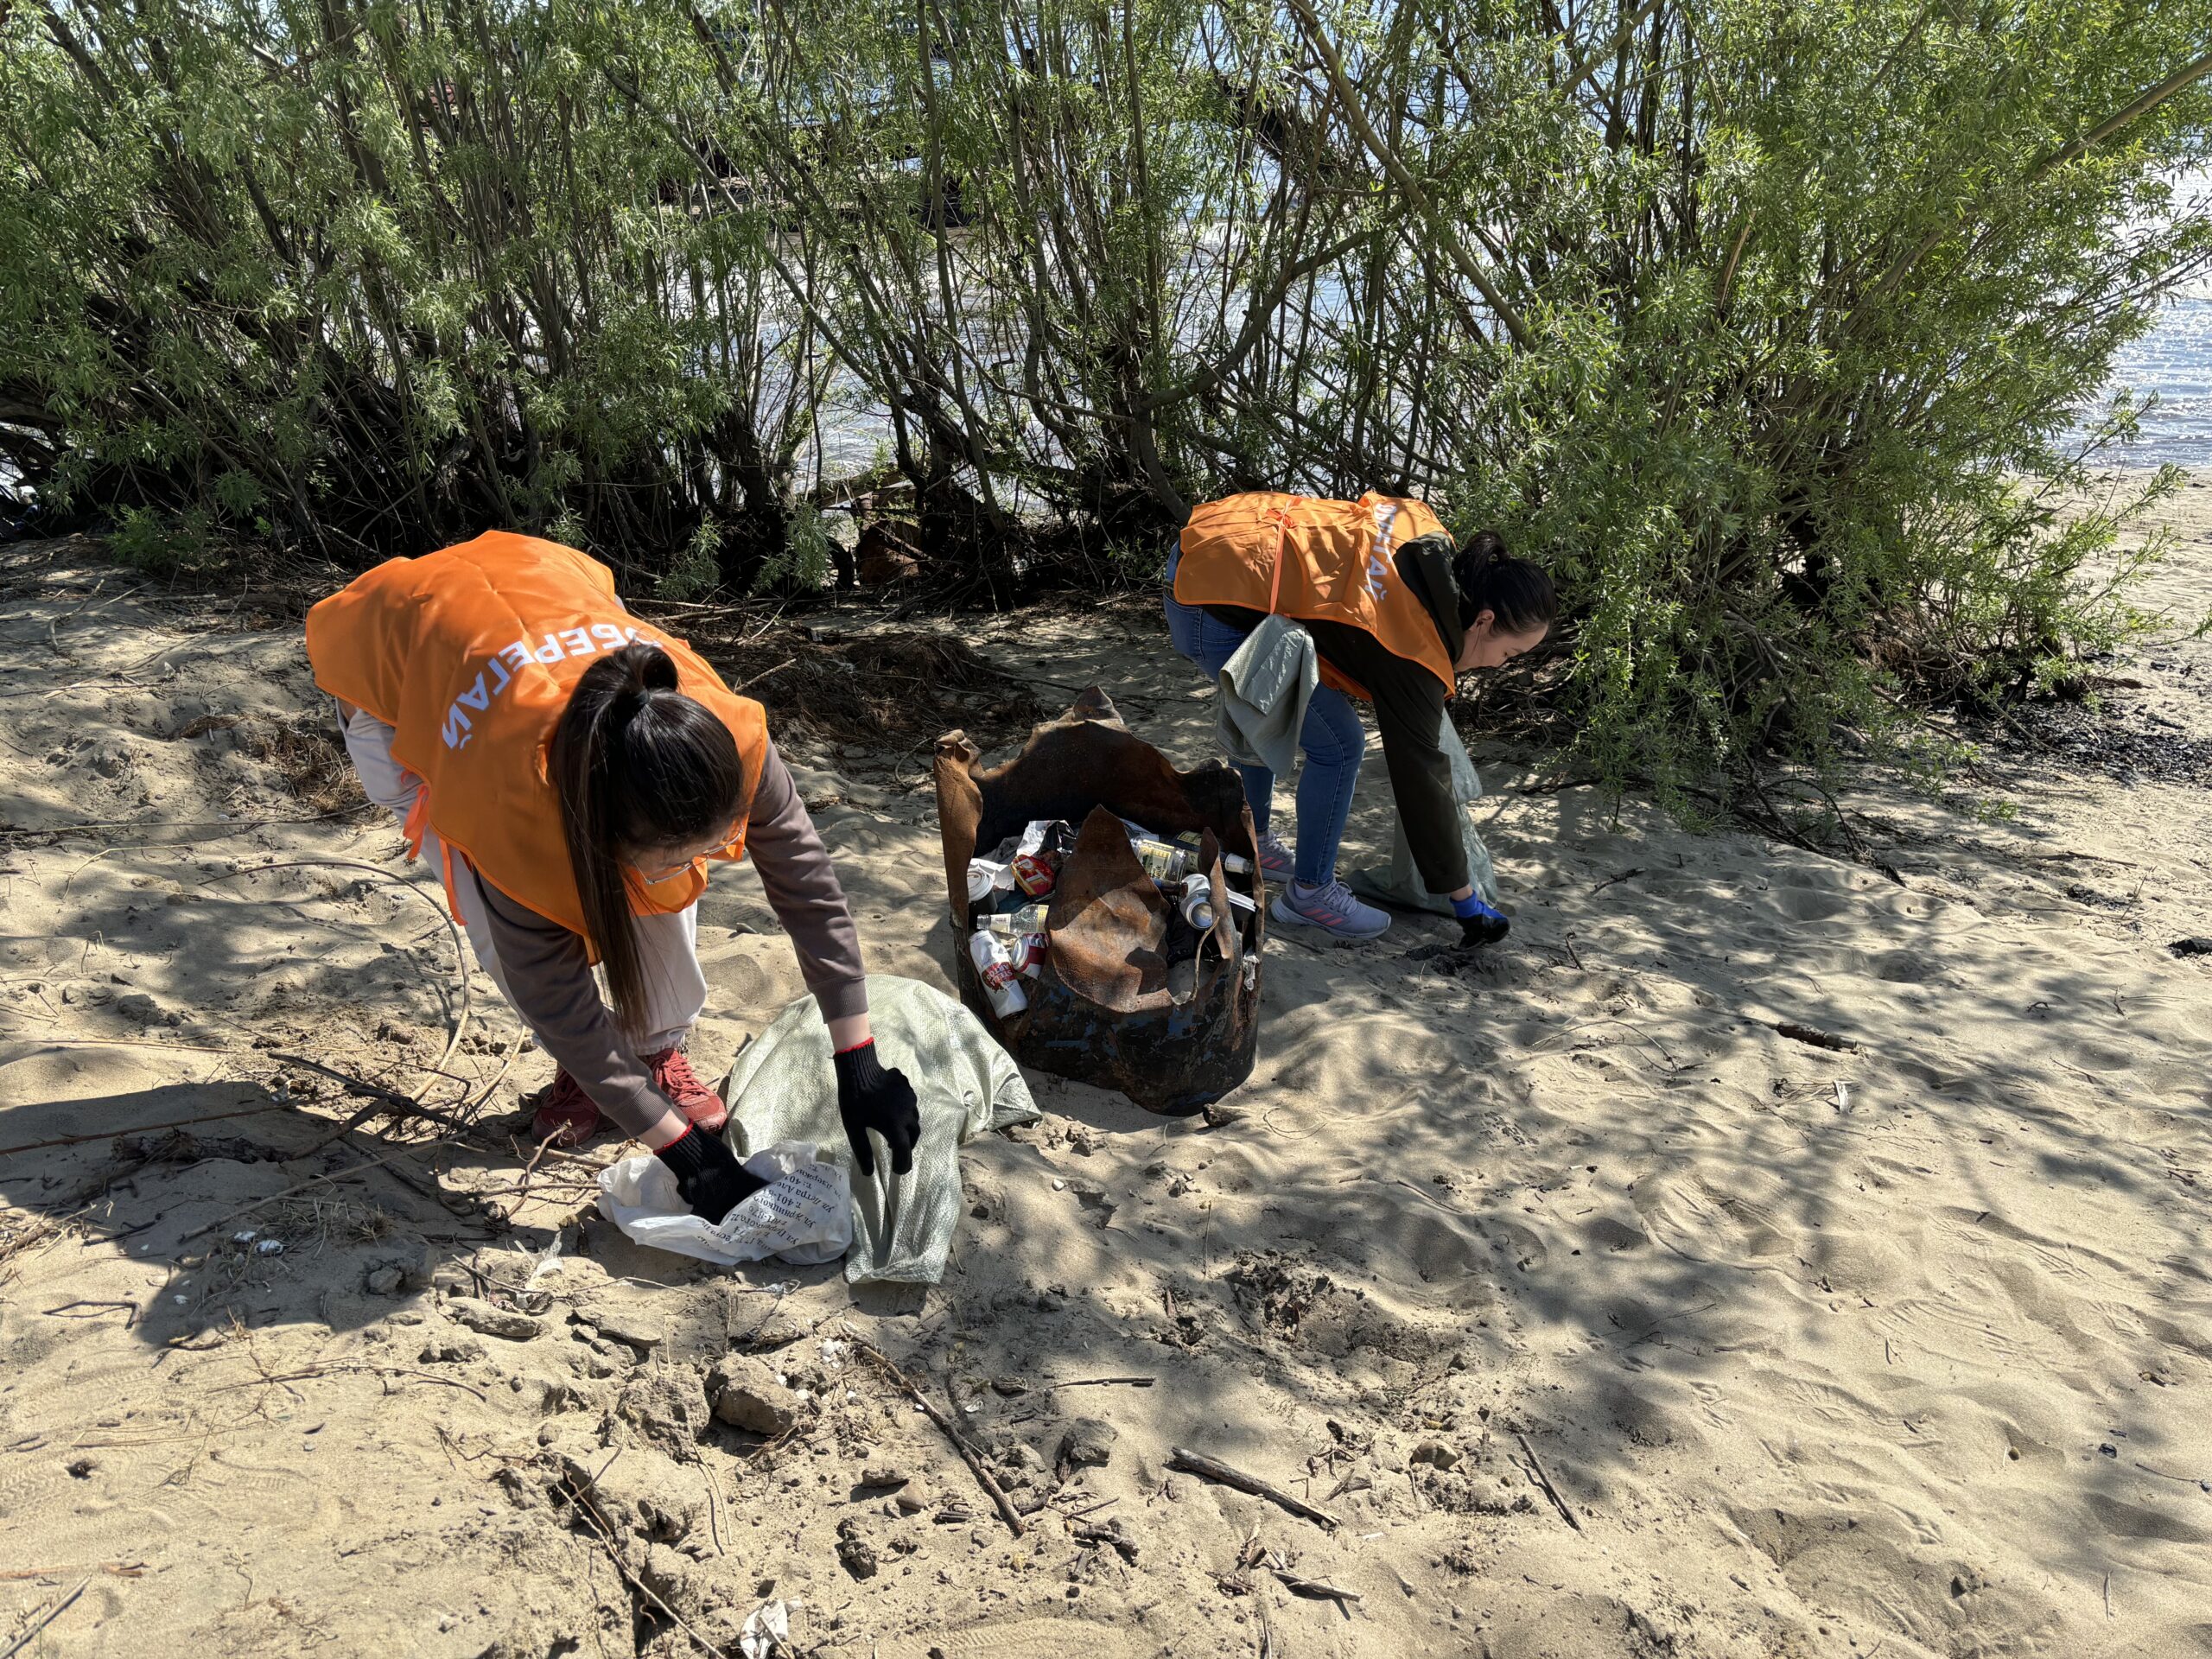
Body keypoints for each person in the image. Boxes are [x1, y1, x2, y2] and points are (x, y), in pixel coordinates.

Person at [305, 530, 919, 1224]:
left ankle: (655, 1049)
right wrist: (687, 1154)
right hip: (399, 649)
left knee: (653, 889)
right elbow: (554, 994)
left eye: (709, 847)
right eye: (677, 851)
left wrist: (857, 1060)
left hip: (542, 582)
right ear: (597, 827)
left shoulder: (724, 743)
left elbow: (808, 888)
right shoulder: (504, 805)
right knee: (494, 893)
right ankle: (599, 1076)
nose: (696, 869)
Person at [1165, 491, 1555, 944]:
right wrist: (1464, 901)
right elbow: (1422, 781)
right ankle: (1310, 895)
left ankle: (1251, 844)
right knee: (1341, 744)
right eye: (1509, 653)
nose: (1500, 665)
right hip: (1207, 600)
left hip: (1219, 542)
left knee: (1272, 699)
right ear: (1484, 620)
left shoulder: (1428, 537)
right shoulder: (1411, 650)